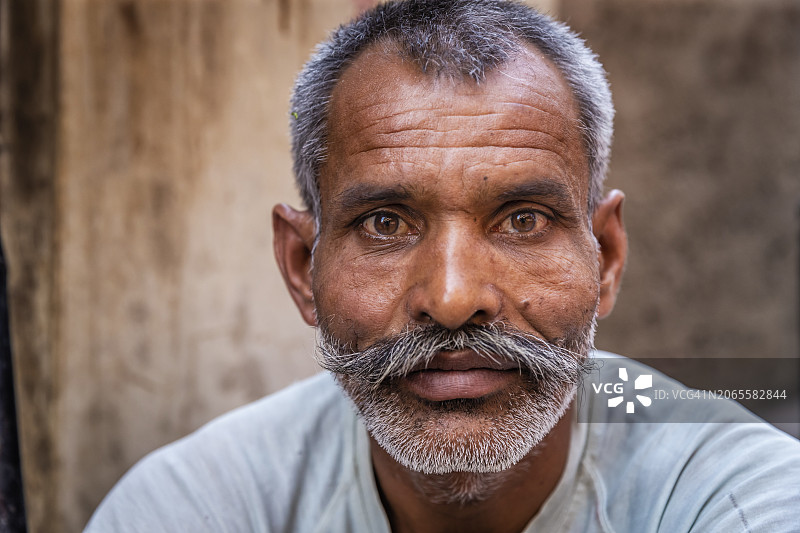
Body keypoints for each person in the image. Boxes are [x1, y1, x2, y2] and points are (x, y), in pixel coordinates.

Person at [85, 1, 800, 531]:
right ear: (303, 265)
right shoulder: (198, 507)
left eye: (523, 220)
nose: (454, 298)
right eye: (385, 223)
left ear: (606, 257)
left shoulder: (734, 497)